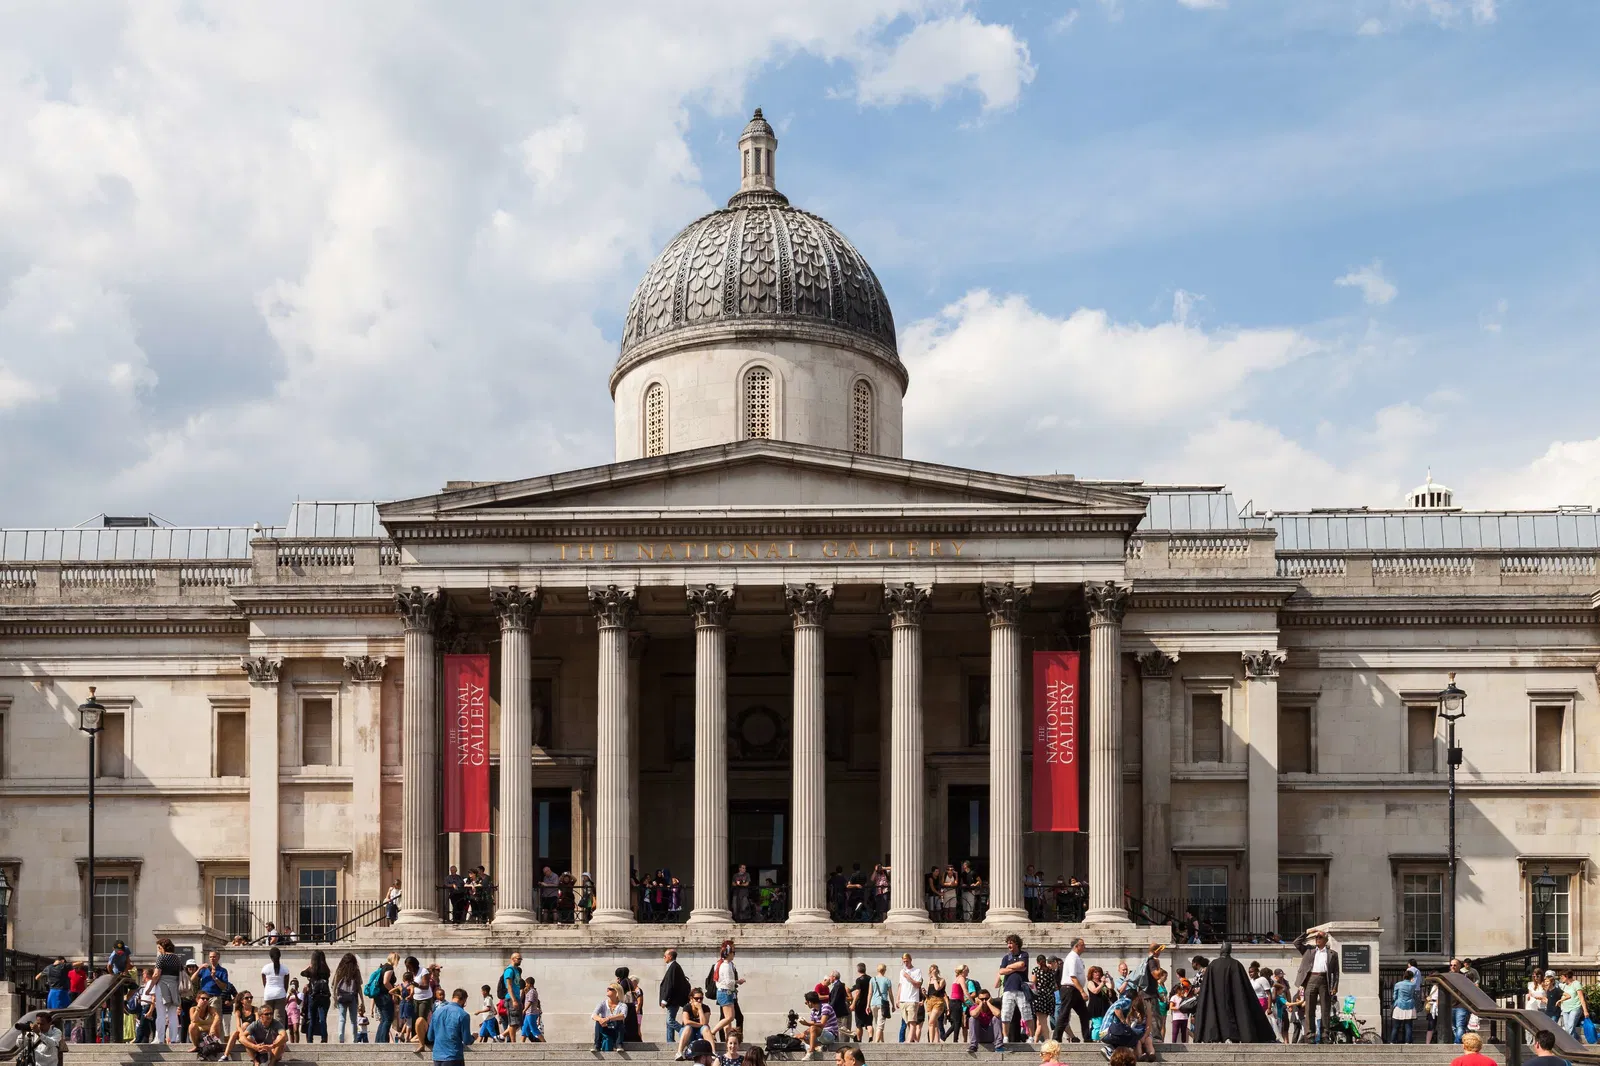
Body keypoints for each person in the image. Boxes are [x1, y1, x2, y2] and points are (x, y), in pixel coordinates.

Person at [1292, 928, 1339, 1044]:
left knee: (1325, 1009)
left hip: (1325, 980)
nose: (1317, 939)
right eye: (1316, 937)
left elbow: (1336, 972)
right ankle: (1310, 1035)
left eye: (1320, 937)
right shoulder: (1309, 950)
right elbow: (1296, 942)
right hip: (1310, 979)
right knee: (1309, 1009)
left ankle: (1324, 1036)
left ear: (1326, 940)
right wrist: (1308, 932)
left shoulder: (1332, 954)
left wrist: (1335, 986)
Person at [1100, 988, 1155, 1063]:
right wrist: (1124, 1022)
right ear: (1135, 998)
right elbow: (1117, 1009)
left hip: (1103, 1033)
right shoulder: (1128, 1001)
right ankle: (1137, 1055)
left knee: (1127, 1036)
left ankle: (1110, 1048)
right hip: (1109, 1031)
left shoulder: (1121, 1000)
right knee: (1136, 1035)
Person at [423, 987, 472, 1066]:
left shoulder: (436, 1012)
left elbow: (430, 1037)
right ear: (463, 1000)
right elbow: (467, 1040)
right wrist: (473, 1037)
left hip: (437, 1057)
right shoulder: (463, 1015)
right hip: (453, 1056)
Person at [1056, 938, 1091, 1042]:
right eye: (1082, 945)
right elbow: (1073, 977)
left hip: (1075, 990)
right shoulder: (1072, 958)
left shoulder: (1077, 958)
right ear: (1076, 946)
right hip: (1069, 989)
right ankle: (1056, 1038)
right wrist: (1082, 991)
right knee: (1064, 1014)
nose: (1084, 947)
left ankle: (1087, 1037)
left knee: (1084, 1014)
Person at [996, 934, 1029, 1044]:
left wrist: (1008, 967)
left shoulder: (1024, 954)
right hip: (1008, 989)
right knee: (1005, 1014)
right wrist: (1015, 968)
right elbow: (1001, 971)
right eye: (1008, 943)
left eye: (1011, 943)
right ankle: (1005, 1037)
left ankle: (1030, 1036)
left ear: (1017, 944)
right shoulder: (1006, 957)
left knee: (1026, 1013)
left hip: (1021, 988)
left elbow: (1022, 964)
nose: (1009, 945)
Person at [154, 936, 186, 1043]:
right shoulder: (177, 959)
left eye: (159, 948)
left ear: (163, 947)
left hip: (162, 986)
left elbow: (156, 974)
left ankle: (160, 1039)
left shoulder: (161, 958)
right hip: (174, 987)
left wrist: (149, 988)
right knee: (173, 1014)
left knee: (161, 1014)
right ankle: (173, 1039)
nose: (158, 950)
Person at [241, 1000, 288, 1065]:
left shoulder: (276, 1023)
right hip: (259, 1049)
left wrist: (272, 1046)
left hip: (273, 1050)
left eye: (271, 1013)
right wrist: (254, 1046)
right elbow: (241, 1038)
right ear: (260, 1016)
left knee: (280, 1037)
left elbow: (285, 1037)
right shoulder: (255, 1024)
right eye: (266, 1014)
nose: (269, 1016)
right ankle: (255, 1061)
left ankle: (272, 1063)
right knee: (247, 1038)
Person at [661, 948, 693, 1045]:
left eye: (665, 956)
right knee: (669, 1021)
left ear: (670, 957)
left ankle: (685, 1032)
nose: (664, 958)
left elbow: (670, 985)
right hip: (673, 1000)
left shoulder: (674, 967)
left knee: (670, 1020)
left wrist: (664, 1000)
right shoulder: (673, 966)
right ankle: (670, 1041)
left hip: (672, 1000)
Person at [301, 948, 331, 1042]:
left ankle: (310, 1039)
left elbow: (302, 973)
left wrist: (309, 966)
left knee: (312, 1019)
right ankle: (324, 1038)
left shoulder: (311, 970)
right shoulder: (326, 970)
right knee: (323, 1019)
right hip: (324, 996)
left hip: (314, 996)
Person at [674, 987, 712, 1060]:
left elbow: (705, 1022)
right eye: (696, 998)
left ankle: (713, 1052)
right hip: (688, 1034)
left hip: (699, 1034)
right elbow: (686, 1022)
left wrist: (700, 1009)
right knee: (688, 1027)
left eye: (701, 998)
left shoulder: (705, 1008)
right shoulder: (687, 1007)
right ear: (691, 999)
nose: (699, 1000)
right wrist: (700, 1024)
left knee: (706, 1028)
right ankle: (679, 1052)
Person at [800, 989, 839, 1059]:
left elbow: (822, 1024)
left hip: (830, 1035)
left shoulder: (826, 1007)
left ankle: (811, 1052)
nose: (806, 1004)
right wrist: (804, 1033)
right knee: (802, 1035)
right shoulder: (813, 1012)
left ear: (810, 1002)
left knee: (812, 1028)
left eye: (806, 1002)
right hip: (821, 1035)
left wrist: (806, 1023)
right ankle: (818, 1047)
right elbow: (812, 1024)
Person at [333, 952, 362, 1042]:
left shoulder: (339, 970)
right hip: (353, 997)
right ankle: (355, 1039)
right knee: (353, 1020)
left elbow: (334, 985)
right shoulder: (356, 971)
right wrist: (362, 1001)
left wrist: (334, 997)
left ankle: (341, 1038)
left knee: (342, 1019)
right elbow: (359, 987)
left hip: (341, 996)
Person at [1031, 954, 1059, 1043]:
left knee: (1042, 1021)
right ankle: (1035, 1040)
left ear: (1037, 962)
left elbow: (1033, 984)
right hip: (1050, 997)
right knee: (1040, 1021)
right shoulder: (1051, 971)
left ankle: (1047, 1040)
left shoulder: (1036, 970)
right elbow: (1055, 986)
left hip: (1040, 997)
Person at [371, 952, 399, 1043]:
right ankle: (383, 1041)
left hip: (379, 996)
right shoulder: (389, 968)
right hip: (385, 996)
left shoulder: (383, 967)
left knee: (383, 1019)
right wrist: (393, 992)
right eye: (397, 959)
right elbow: (386, 982)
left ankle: (379, 1040)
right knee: (388, 1019)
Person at [593, 982, 629, 1052]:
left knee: (619, 1021)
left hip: (616, 1030)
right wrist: (601, 1020)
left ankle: (619, 1045)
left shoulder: (622, 1005)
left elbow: (623, 1015)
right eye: (607, 988)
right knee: (598, 1022)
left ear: (617, 992)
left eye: (610, 989)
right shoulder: (602, 1003)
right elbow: (594, 1015)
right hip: (605, 1028)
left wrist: (608, 1018)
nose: (607, 990)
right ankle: (597, 1045)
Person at [1389, 966, 1421, 1044]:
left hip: (1399, 1005)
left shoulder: (1398, 984)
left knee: (1396, 1026)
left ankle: (1392, 1041)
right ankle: (1407, 1042)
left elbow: (1394, 996)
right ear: (1411, 977)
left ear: (1404, 976)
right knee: (1408, 1026)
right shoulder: (1413, 985)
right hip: (1410, 1006)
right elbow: (1414, 994)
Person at [260, 947, 290, 1030]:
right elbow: (286, 985)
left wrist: (268, 990)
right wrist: (283, 992)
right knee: (279, 1018)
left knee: (267, 1016)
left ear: (270, 957)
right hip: (280, 993)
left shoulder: (265, 968)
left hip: (268, 994)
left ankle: (267, 1036)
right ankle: (279, 1036)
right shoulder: (285, 968)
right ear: (280, 956)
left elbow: (264, 983)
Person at [967, 987, 1004, 1053]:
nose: (984, 1001)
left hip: (991, 1035)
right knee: (972, 1019)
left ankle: (999, 1046)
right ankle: (973, 1046)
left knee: (996, 1018)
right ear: (978, 999)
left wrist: (989, 1003)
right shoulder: (974, 1007)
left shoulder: (993, 1007)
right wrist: (980, 1004)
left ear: (990, 999)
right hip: (979, 1036)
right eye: (982, 999)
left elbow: (998, 1014)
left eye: (986, 999)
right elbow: (974, 1014)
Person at [498, 952, 524, 1044]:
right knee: (513, 1022)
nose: (520, 960)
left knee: (518, 1022)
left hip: (517, 998)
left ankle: (502, 1036)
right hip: (511, 998)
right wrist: (514, 1000)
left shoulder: (517, 970)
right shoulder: (509, 970)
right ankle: (513, 1043)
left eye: (521, 959)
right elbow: (509, 986)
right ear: (513, 959)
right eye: (518, 958)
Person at [898, 952, 923, 1042]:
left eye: (907, 961)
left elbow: (918, 984)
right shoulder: (902, 971)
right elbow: (900, 985)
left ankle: (908, 1042)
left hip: (912, 999)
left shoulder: (917, 971)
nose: (905, 963)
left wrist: (908, 977)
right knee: (908, 1022)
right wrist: (898, 999)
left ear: (910, 960)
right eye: (904, 961)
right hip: (903, 1000)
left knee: (912, 1022)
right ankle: (916, 1040)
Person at [868, 963, 893, 1042]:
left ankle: (882, 1041)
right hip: (883, 1003)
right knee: (880, 1025)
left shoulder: (872, 979)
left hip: (873, 1003)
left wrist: (867, 1005)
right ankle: (876, 1043)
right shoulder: (887, 980)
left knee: (877, 1023)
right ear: (884, 970)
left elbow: (870, 993)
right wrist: (893, 1004)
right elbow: (890, 994)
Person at [923, 964, 947, 1042]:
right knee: (935, 1023)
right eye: (931, 970)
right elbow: (929, 993)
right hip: (929, 1001)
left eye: (934, 970)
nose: (933, 972)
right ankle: (937, 1041)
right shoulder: (929, 980)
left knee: (931, 1022)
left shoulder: (941, 980)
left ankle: (931, 1042)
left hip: (938, 1001)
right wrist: (924, 994)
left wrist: (935, 978)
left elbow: (937, 988)